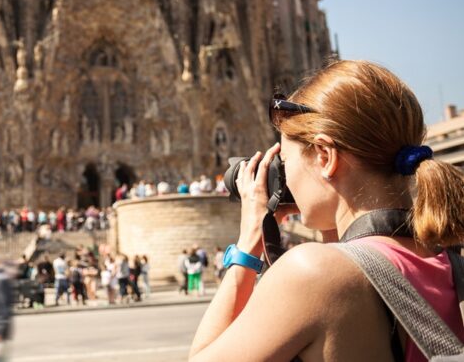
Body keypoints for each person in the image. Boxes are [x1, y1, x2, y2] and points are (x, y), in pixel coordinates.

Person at [190, 60, 464, 361]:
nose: (285, 175)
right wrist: (330, 219)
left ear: (324, 156)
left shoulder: (312, 272)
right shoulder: (448, 262)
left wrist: (248, 243)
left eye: (286, 160)